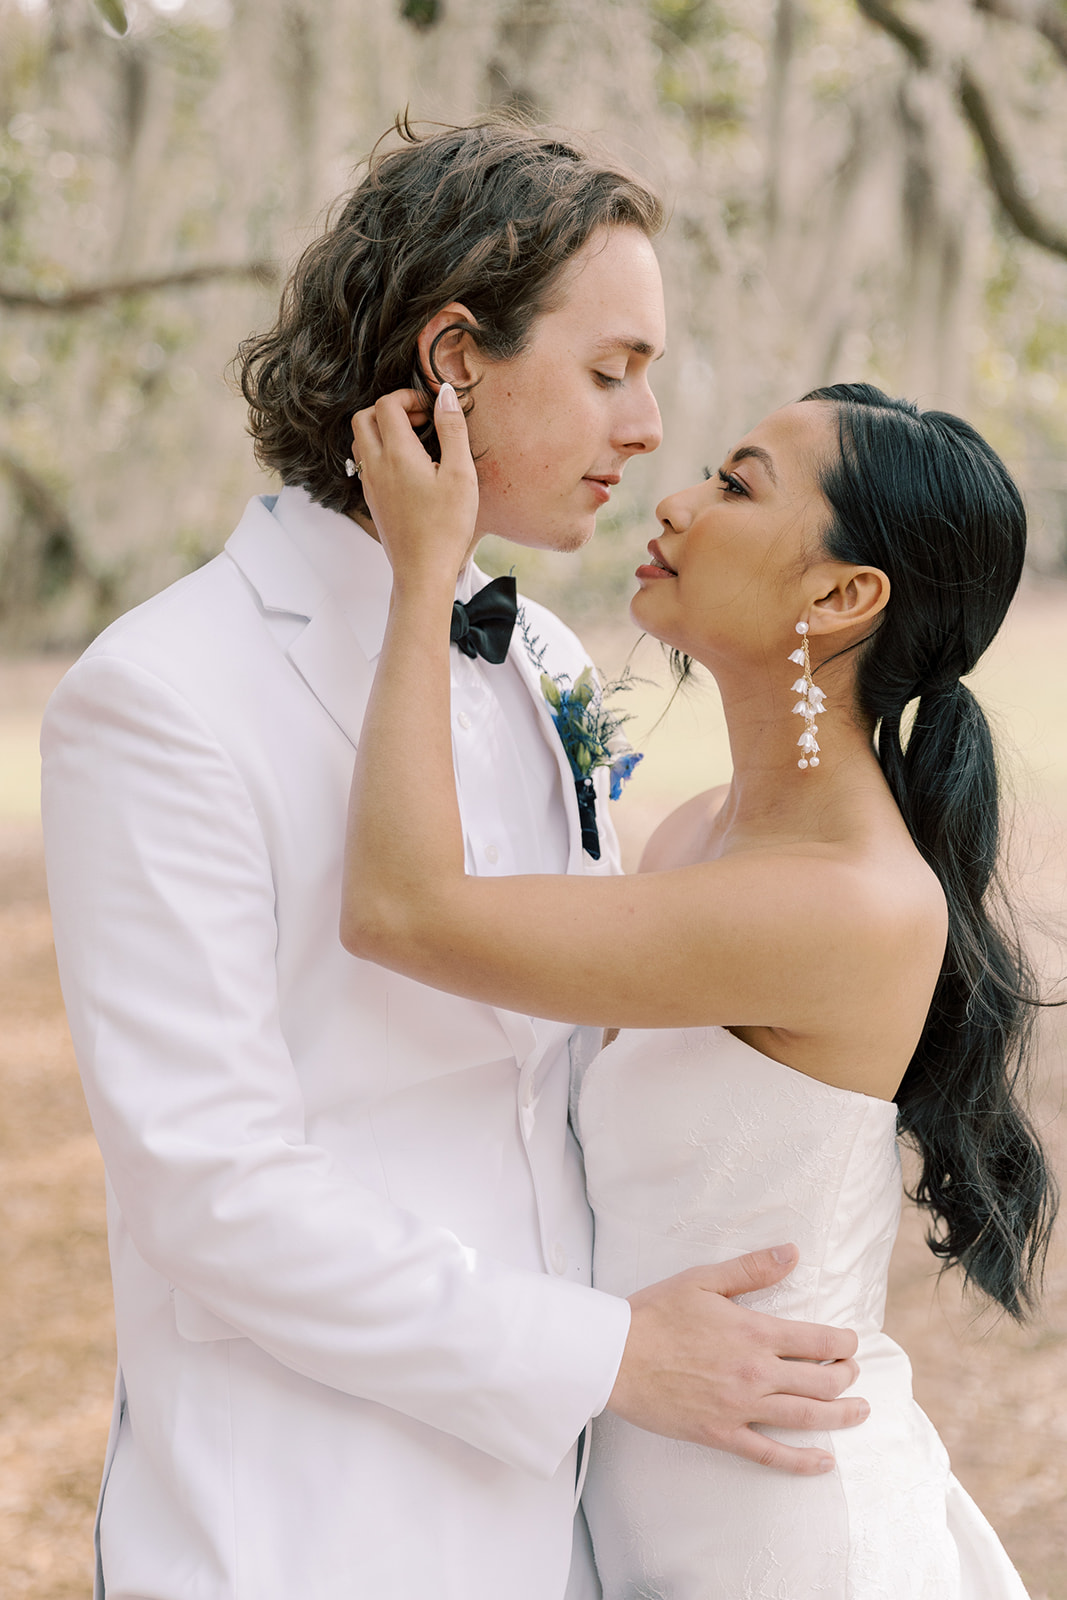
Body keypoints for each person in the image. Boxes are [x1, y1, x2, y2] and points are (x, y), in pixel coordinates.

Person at [39, 119, 866, 1600]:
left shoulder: (536, 652)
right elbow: (210, 1188)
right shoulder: (158, 694)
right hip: (297, 1520)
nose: (643, 428)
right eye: (610, 370)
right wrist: (611, 1354)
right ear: (452, 361)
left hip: (568, 1520)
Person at [342, 375, 1056, 1596]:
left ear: (838, 597)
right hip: (651, 1502)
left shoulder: (843, 899)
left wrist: (422, 575)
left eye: (734, 485)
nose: (672, 501)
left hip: (784, 1531)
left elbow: (402, 910)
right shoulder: (692, 834)